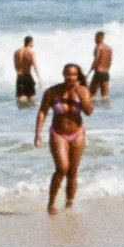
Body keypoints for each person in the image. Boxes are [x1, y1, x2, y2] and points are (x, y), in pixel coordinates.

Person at [33, 62, 92, 215]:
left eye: (73, 74)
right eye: (67, 74)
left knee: (72, 171)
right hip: (58, 133)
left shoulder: (83, 90)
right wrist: (38, 134)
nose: (70, 77)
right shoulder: (52, 92)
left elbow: (89, 111)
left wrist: (80, 94)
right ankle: (51, 203)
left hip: (77, 133)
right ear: (63, 74)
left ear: (77, 76)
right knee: (62, 168)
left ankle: (69, 204)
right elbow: (42, 112)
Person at [13, 36, 38, 106]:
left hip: (19, 76)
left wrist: (19, 74)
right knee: (31, 98)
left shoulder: (16, 52)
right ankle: (29, 114)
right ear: (31, 42)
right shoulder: (30, 53)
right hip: (28, 76)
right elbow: (34, 66)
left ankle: (20, 115)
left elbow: (15, 65)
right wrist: (39, 78)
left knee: (20, 98)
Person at [90, 31, 113, 104]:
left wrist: (92, 67)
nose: (94, 40)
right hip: (106, 73)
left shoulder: (98, 47)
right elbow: (110, 60)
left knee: (91, 94)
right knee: (105, 96)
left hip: (98, 72)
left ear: (98, 38)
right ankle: (105, 112)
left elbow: (96, 58)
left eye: (95, 38)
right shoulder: (109, 48)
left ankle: (93, 111)